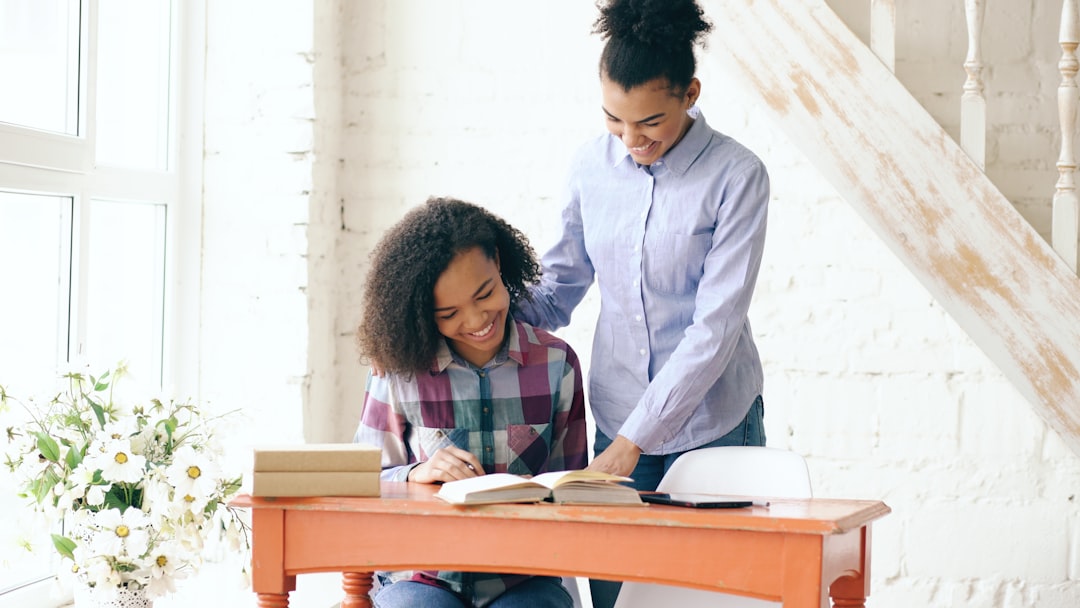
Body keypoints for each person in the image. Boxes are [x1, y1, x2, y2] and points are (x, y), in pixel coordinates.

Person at [512, 1, 769, 604]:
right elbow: (557, 290)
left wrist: (635, 440)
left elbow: (715, 328)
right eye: (614, 120)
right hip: (618, 413)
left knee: (712, 596)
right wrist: (477, 303)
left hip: (714, 425)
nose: (632, 140)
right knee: (615, 596)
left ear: (690, 94)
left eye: (650, 121)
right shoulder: (590, 166)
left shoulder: (737, 176)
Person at [353, 196, 587, 608]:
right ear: (423, 312)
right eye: (449, 313)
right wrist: (416, 473)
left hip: (523, 578)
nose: (477, 321)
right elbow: (360, 479)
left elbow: (572, 485)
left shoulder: (557, 364)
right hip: (421, 576)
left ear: (498, 261)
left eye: (485, 294)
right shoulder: (398, 372)